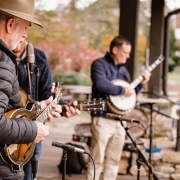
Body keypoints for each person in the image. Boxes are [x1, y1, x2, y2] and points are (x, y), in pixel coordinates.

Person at [0, 0, 79, 179]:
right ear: (11, 24)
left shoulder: (36, 58)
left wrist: (42, 107)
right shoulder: (3, 63)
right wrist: (33, 130)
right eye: (25, 27)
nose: (25, 35)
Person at [13, 39, 81, 180]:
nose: (22, 36)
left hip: (34, 128)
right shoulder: (4, 56)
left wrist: (63, 106)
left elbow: (47, 92)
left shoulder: (39, 57)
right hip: (8, 127)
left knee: (30, 174)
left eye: (25, 30)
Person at [86, 35, 151, 180]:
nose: (128, 56)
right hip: (102, 118)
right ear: (115, 50)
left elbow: (129, 95)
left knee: (114, 160)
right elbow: (100, 83)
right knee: (96, 158)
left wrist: (141, 84)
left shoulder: (123, 71)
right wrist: (122, 90)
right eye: (125, 53)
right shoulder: (99, 64)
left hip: (119, 120)